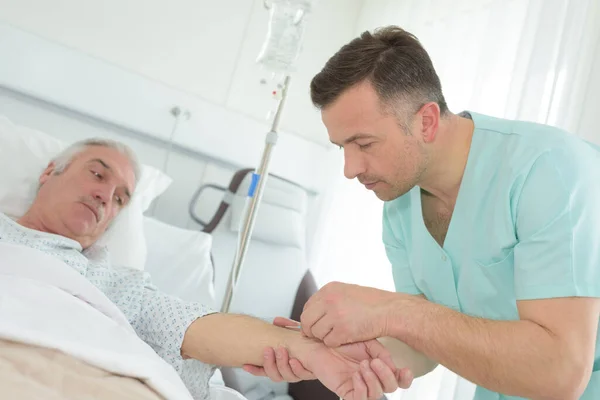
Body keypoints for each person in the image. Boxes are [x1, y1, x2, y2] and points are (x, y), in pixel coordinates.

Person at [245, 25, 600, 400]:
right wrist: (347, 357)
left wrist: (392, 310)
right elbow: (423, 342)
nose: (349, 169)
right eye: (341, 147)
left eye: (363, 143)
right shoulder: (399, 204)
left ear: (426, 121)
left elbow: (560, 375)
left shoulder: (547, 171)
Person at [0, 138, 414, 400]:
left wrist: (311, 351)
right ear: (49, 171)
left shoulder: (107, 279)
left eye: (121, 199)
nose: (105, 197)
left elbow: (185, 324)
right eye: (97, 174)